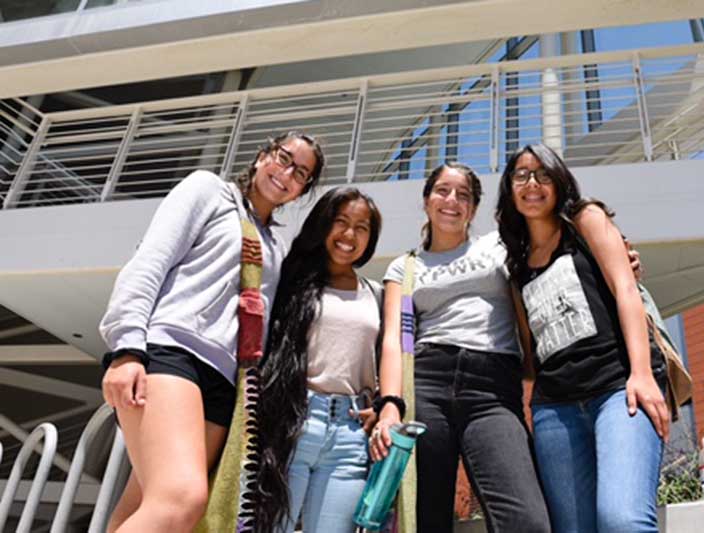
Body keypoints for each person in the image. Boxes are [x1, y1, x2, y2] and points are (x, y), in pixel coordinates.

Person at [98, 132, 325, 533]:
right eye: (283, 158)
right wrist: (127, 349)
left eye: (300, 173)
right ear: (261, 156)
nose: (286, 173)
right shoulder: (208, 191)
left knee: (144, 508)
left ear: (302, 190)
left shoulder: (274, 245)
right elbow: (150, 260)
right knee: (181, 500)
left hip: (224, 384)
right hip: (172, 352)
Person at [495, 143, 669, 533]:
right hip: (554, 408)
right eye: (520, 175)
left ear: (558, 180)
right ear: (509, 189)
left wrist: (641, 373)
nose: (532, 183)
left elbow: (625, 290)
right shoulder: (517, 266)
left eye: (542, 173)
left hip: (619, 388)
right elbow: (531, 354)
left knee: (622, 519)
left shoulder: (584, 220)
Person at [372, 162, 551, 533]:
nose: (451, 200)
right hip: (426, 383)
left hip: (493, 389)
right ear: (426, 201)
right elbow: (393, 339)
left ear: (473, 208)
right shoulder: (404, 268)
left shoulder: (498, 245)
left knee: (526, 521)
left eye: (463, 195)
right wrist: (390, 405)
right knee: (425, 519)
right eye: (442, 190)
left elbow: (551, 255)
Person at [254, 187, 384, 533]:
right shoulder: (290, 283)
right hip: (295, 425)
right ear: (323, 225)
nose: (349, 235)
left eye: (362, 227)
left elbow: (384, 360)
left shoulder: (377, 293)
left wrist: (383, 403)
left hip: (350, 435)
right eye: (341, 222)